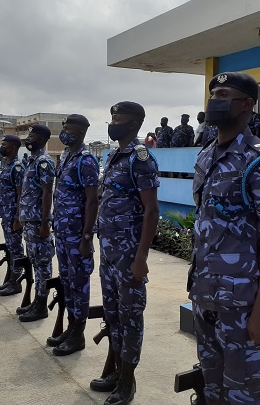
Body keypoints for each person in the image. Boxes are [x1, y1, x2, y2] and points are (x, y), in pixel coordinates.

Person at [190, 72, 260, 403]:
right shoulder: (205, 156)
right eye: (212, 93)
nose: (214, 100)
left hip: (242, 306)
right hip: (205, 297)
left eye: (223, 94)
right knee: (212, 388)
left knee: (245, 392)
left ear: (246, 105)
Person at [91, 102, 159, 404]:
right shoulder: (114, 156)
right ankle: (117, 372)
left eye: (118, 119)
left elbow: (151, 210)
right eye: (112, 118)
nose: (112, 123)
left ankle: (128, 382)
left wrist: (141, 257)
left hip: (129, 254)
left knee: (131, 318)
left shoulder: (140, 157)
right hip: (109, 253)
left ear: (133, 125)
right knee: (114, 316)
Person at [50, 114, 99, 356]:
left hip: (77, 235)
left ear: (79, 132)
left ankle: (78, 334)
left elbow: (92, 201)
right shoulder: (67, 156)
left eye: (68, 129)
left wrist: (87, 237)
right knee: (67, 282)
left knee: (79, 285)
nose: (64, 132)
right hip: (62, 232)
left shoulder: (86, 161)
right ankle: (71, 328)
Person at [16, 124, 56, 322]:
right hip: (30, 220)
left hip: (38, 220)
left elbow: (47, 192)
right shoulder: (32, 160)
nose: (28, 138)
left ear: (41, 139)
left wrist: (45, 222)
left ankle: (42, 304)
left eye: (32, 135)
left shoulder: (44, 162)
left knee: (42, 263)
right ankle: (36, 301)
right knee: (34, 261)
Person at [0, 135, 25, 296]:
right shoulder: (7, 165)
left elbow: (21, 194)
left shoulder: (17, 167)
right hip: (6, 215)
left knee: (16, 249)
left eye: (4, 145)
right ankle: (10, 279)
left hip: (13, 216)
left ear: (13, 147)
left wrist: (18, 217)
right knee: (11, 249)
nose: (2, 147)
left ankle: (16, 282)